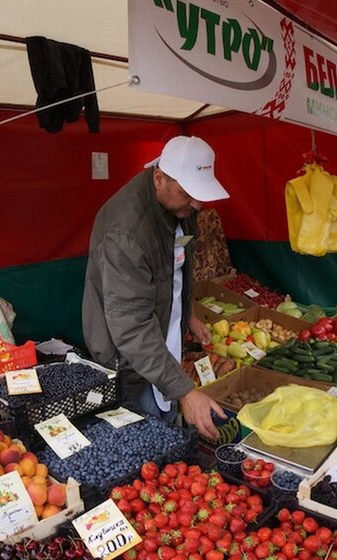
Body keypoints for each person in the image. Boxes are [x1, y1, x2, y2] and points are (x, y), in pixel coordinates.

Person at [82, 135, 229, 440]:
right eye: (187, 193)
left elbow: (176, 269)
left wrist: (187, 314)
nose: (197, 203)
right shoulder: (126, 233)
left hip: (163, 339)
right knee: (149, 435)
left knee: (167, 417)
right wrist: (185, 391)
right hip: (129, 355)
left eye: (199, 194)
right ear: (160, 178)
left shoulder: (180, 208)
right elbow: (131, 326)